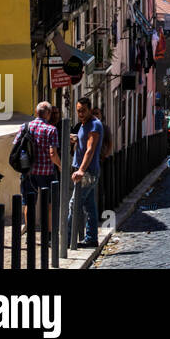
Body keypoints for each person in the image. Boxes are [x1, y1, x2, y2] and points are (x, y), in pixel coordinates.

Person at [66, 96, 102, 249]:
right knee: (90, 207)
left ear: (90, 109)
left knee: (74, 204)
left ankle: (67, 241)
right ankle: (91, 239)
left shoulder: (94, 125)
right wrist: (75, 139)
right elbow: (84, 142)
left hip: (87, 173)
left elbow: (90, 149)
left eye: (83, 111)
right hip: (86, 171)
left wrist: (81, 170)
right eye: (78, 111)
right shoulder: (84, 124)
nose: (80, 114)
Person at [20, 101, 60, 232]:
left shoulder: (25, 127)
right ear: (48, 113)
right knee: (48, 204)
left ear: (36, 112)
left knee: (29, 203)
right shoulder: (51, 130)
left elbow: (17, 145)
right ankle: (48, 234)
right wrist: (60, 166)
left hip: (28, 171)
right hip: (46, 172)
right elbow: (52, 153)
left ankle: (30, 235)